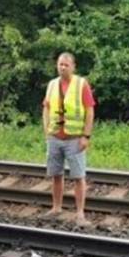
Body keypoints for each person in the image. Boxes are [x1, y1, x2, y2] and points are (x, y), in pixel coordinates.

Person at [42, 51, 96, 226]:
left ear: (73, 66)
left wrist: (86, 136)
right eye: (60, 64)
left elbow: (89, 111)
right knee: (55, 174)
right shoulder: (51, 84)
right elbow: (46, 107)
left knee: (78, 176)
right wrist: (46, 131)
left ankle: (80, 213)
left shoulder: (81, 84)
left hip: (74, 138)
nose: (62, 67)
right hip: (55, 136)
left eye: (66, 64)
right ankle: (56, 208)